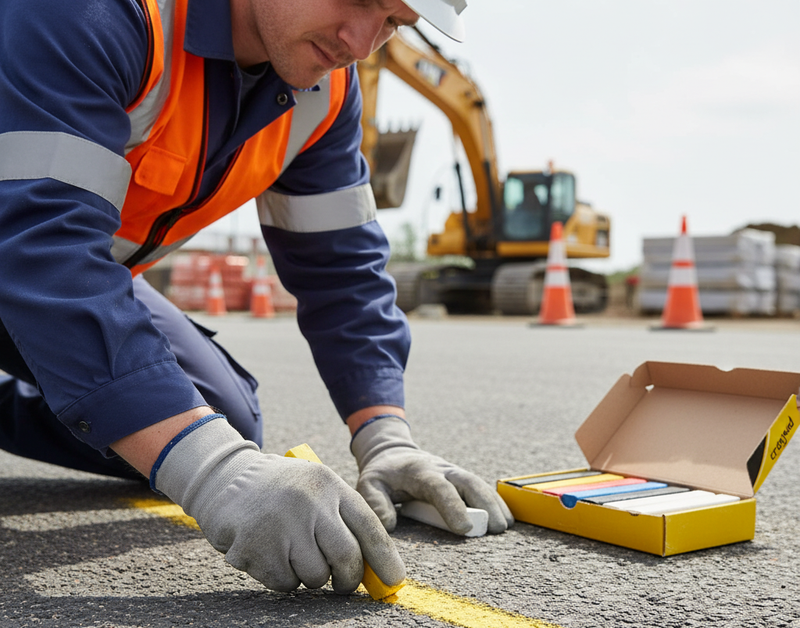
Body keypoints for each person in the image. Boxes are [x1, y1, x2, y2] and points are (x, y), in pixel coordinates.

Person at [0, 0, 512, 595]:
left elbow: (341, 267)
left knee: (220, 416)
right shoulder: (101, 13)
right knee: (192, 444)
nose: (362, 40)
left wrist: (385, 436)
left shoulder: (324, 91)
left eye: (395, 22)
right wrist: (213, 471)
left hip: (51, 264)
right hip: (22, 246)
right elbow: (39, 238)